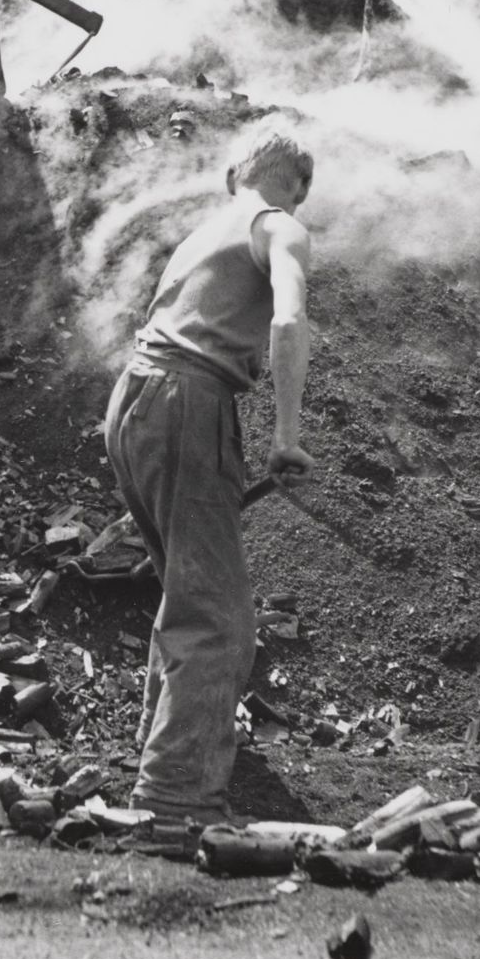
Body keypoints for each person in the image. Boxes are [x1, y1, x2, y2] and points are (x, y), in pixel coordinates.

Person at [102, 123, 317, 855]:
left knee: (185, 589)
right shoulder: (281, 227)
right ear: (299, 184)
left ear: (234, 173)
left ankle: (160, 759)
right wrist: (284, 435)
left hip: (133, 400)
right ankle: (176, 801)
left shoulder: (204, 234)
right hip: (188, 402)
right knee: (219, 616)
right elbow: (288, 318)